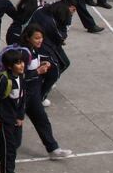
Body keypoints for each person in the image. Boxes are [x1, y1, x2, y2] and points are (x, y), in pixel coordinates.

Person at [16, 25, 74, 159]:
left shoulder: (34, 50)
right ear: (28, 38)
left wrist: (42, 65)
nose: (40, 40)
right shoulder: (23, 53)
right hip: (21, 96)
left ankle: (53, 149)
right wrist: (37, 71)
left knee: (42, 120)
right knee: (13, 129)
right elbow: (18, 77)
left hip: (33, 95)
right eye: (36, 38)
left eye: (41, 37)